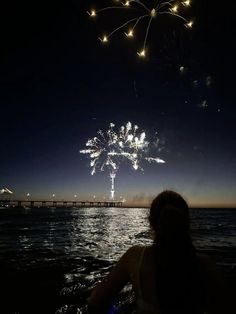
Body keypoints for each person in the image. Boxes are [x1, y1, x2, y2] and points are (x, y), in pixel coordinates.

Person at [88, 190, 227, 314]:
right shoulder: (206, 265)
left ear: (151, 223)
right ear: (187, 222)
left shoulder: (135, 257)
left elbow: (96, 301)